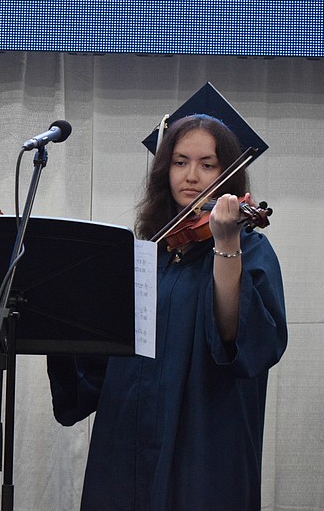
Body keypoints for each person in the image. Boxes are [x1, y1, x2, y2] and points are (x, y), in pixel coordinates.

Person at [47, 113, 287, 510]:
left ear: (227, 173)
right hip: (126, 441)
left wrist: (226, 243)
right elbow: (101, 359)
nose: (191, 176)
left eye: (207, 164)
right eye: (180, 162)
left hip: (203, 443)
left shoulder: (251, 249)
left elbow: (237, 338)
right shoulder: (148, 255)